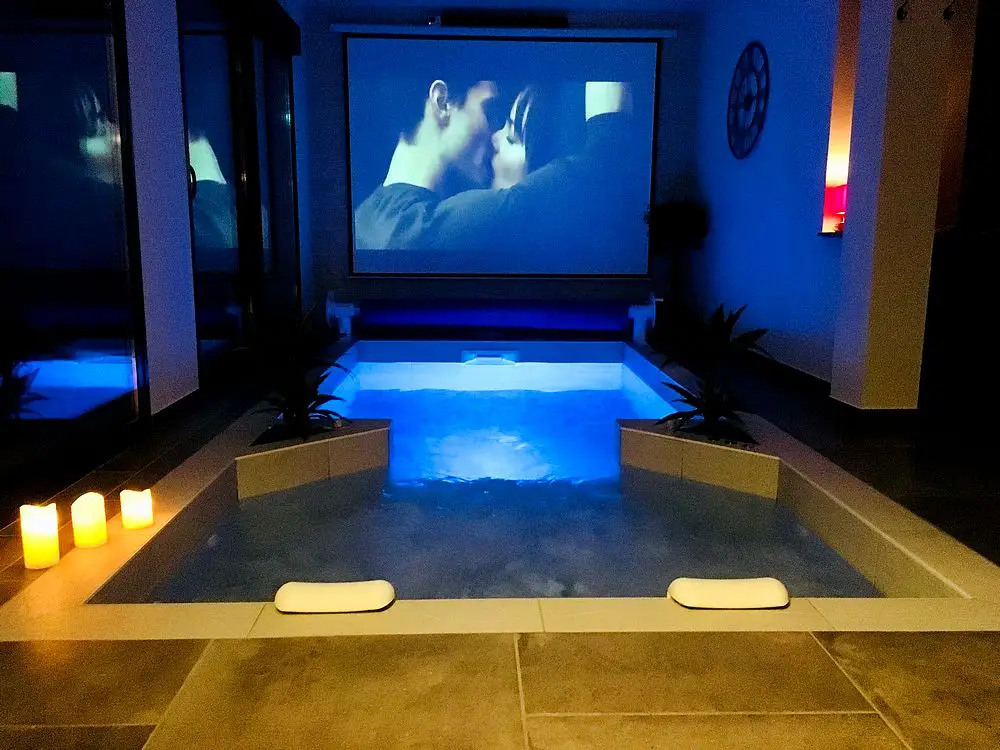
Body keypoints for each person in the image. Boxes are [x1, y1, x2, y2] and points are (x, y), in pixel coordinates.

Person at [353, 78, 497, 250]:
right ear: (442, 102)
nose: (498, 136)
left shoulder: (358, 222)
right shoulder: (426, 234)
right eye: (490, 113)